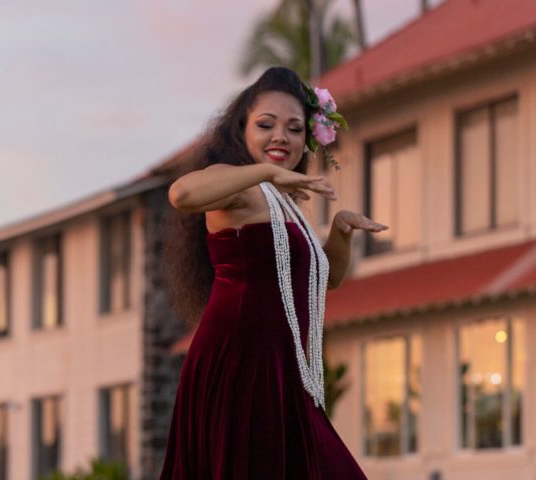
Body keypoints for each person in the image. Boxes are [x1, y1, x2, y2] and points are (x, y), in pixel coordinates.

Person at [160, 66, 387, 479]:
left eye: (294, 128)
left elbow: (324, 280)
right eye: (266, 124)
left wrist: (340, 232)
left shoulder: (285, 205)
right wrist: (266, 172)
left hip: (284, 371)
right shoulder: (233, 183)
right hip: (239, 365)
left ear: (308, 139)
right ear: (241, 130)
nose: (281, 136)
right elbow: (182, 194)